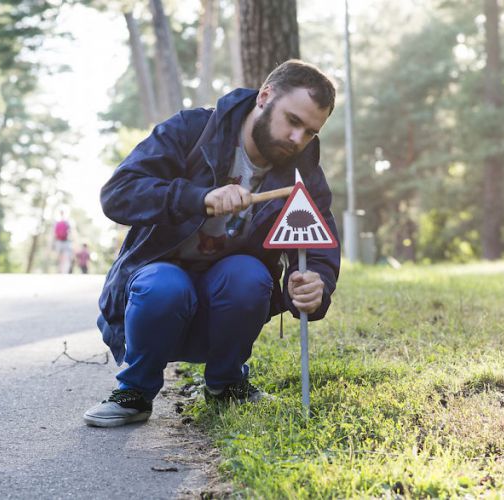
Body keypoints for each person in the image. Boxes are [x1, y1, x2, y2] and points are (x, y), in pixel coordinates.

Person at [84, 60, 341, 428]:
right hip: (157, 296)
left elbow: (318, 247)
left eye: (311, 132)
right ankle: (135, 392)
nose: (298, 139)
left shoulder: (304, 172)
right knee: (165, 285)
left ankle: (226, 383)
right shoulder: (192, 129)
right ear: (265, 97)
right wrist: (198, 198)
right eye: (293, 121)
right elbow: (118, 195)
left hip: (224, 303)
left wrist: (317, 284)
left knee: (248, 275)